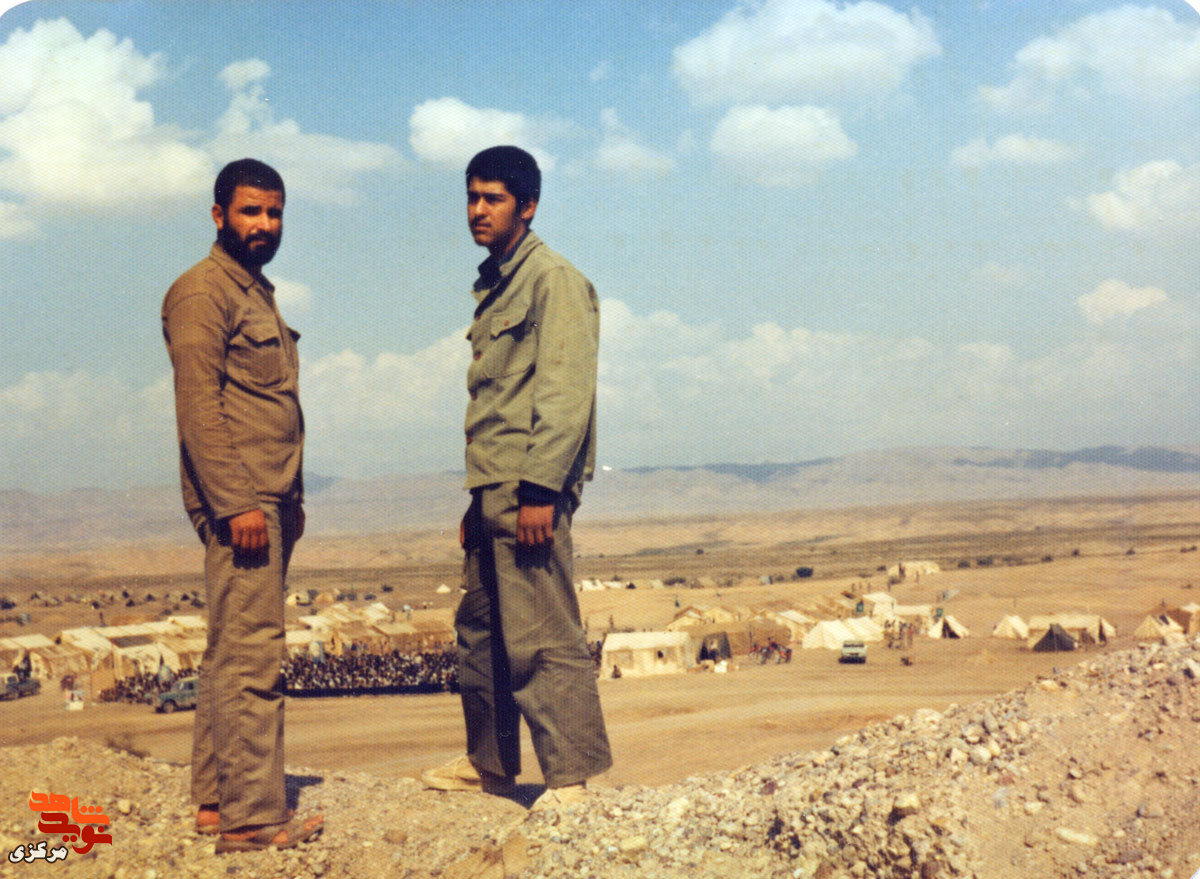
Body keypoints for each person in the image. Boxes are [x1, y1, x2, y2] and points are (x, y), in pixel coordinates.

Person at [421, 145, 612, 810]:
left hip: (529, 486)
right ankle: (490, 764)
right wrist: (480, 499)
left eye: (493, 199)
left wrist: (539, 489)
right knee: (481, 631)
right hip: (493, 486)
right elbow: (497, 399)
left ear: (527, 206)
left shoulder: (551, 280)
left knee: (541, 633)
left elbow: (564, 391)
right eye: (472, 197)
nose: (478, 210)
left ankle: (570, 778)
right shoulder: (499, 282)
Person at [161, 158, 322, 852]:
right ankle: (253, 818)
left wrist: (290, 496)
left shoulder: (252, 291)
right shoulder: (203, 293)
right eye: (251, 211)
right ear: (219, 215)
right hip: (244, 501)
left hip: (268, 496)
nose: (265, 224)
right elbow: (199, 407)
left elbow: (266, 404)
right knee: (255, 655)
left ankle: (216, 799)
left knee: (231, 648)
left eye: (274, 212)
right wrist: (236, 503)